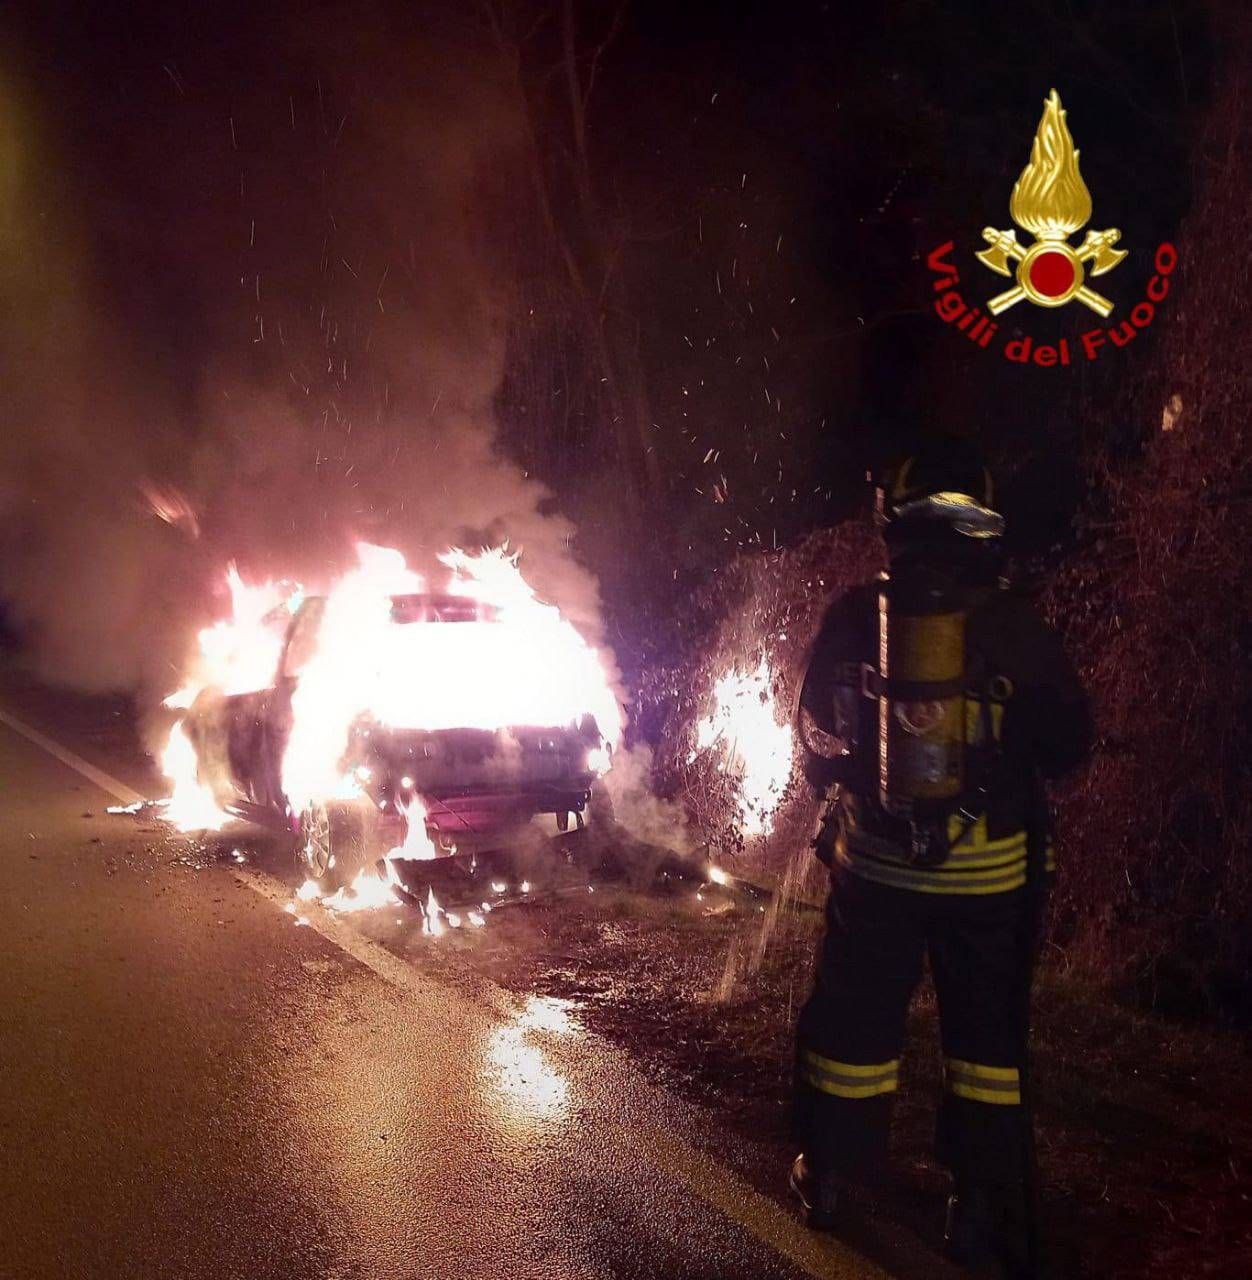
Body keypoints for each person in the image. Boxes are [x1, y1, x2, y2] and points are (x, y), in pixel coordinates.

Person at [789, 439, 1091, 1277]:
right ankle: (981, 1209)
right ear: (987, 525)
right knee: (988, 1049)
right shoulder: (1017, 627)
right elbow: (1070, 744)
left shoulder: (858, 614)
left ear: (894, 521)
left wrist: (856, 775)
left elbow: (817, 725)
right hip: (989, 882)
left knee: (851, 1029)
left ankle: (831, 1178)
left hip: (876, 873)